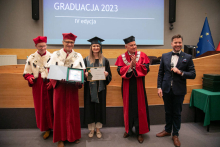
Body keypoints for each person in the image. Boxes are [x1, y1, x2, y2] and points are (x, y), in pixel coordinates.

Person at [47, 33, 85, 147]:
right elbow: (50, 69)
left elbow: (81, 71)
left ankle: (73, 136)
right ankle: (61, 138)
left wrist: (79, 80)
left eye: (72, 42)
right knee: (59, 113)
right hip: (59, 87)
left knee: (73, 112)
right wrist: (57, 78)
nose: (69, 44)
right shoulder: (55, 55)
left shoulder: (78, 55)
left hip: (72, 88)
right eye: (67, 42)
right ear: (63, 42)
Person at [156, 34, 196, 147]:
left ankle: (175, 134)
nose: (177, 44)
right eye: (175, 42)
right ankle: (167, 130)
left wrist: (181, 72)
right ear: (171, 44)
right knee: (168, 111)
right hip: (166, 89)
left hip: (179, 90)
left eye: (179, 42)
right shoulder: (165, 56)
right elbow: (160, 74)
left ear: (181, 43)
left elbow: (193, 74)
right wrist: (159, 87)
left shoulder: (187, 57)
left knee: (177, 113)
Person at [115, 36, 150, 143]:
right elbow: (119, 71)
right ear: (126, 46)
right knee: (128, 108)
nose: (134, 47)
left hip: (139, 85)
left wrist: (136, 66)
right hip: (127, 86)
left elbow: (146, 69)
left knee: (140, 109)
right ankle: (128, 130)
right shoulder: (121, 57)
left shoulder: (142, 55)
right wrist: (130, 66)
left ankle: (140, 132)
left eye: (135, 44)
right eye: (131, 45)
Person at [23, 36, 53, 139]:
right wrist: (30, 77)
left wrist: (52, 82)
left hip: (50, 84)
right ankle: (47, 129)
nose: (42, 48)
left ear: (46, 45)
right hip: (38, 85)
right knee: (41, 107)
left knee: (52, 106)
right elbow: (26, 72)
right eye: (40, 46)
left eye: (44, 46)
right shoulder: (31, 58)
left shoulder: (52, 56)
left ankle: (55, 127)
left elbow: (56, 71)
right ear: (36, 46)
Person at [83, 37, 112, 139]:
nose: (96, 47)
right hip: (89, 90)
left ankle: (98, 129)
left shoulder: (105, 60)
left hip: (100, 89)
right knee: (90, 109)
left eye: (97, 46)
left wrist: (107, 74)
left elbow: (109, 76)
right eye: (94, 46)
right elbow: (80, 76)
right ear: (91, 47)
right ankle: (91, 129)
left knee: (99, 109)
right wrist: (85, 75)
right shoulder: (85, 60)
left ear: (100, 47)